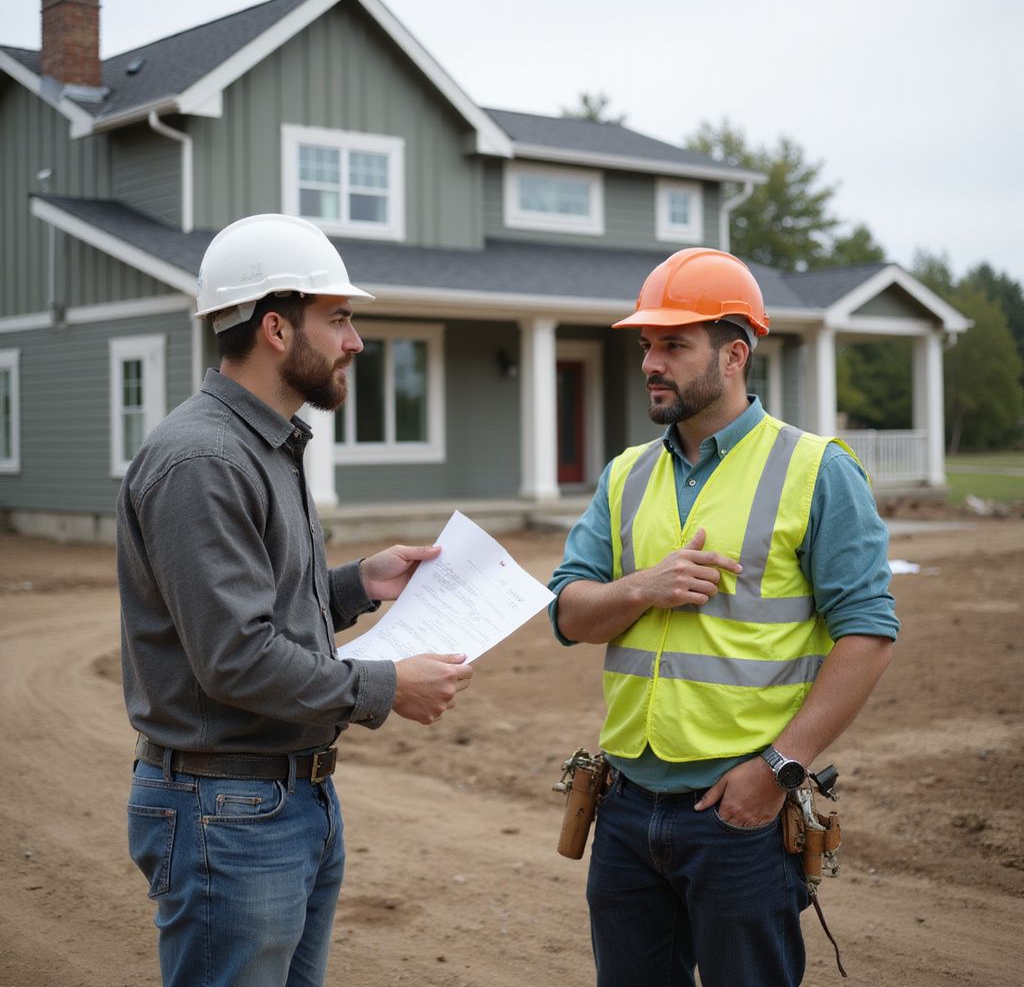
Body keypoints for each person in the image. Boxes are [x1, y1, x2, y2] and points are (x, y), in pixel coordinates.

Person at [117, 213, 474, 987]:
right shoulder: (204, 459)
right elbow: (235, 658)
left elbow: (254, 606)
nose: (356, 341)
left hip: (282, 798)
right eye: (339, 319)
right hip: (228, 809)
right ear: (276, 327)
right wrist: (388, 686)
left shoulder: (264, 443)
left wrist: (356, 585)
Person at [548, 247, 898, 987]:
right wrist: (643, 587)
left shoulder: (816, 469)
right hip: (625, 808)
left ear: (734, 353)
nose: (651, 361)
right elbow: (570, 614)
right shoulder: (624, 476)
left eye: (673, 344)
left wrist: (777, 771)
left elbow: (867, 635)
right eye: (647, 344)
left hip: (741, 818)